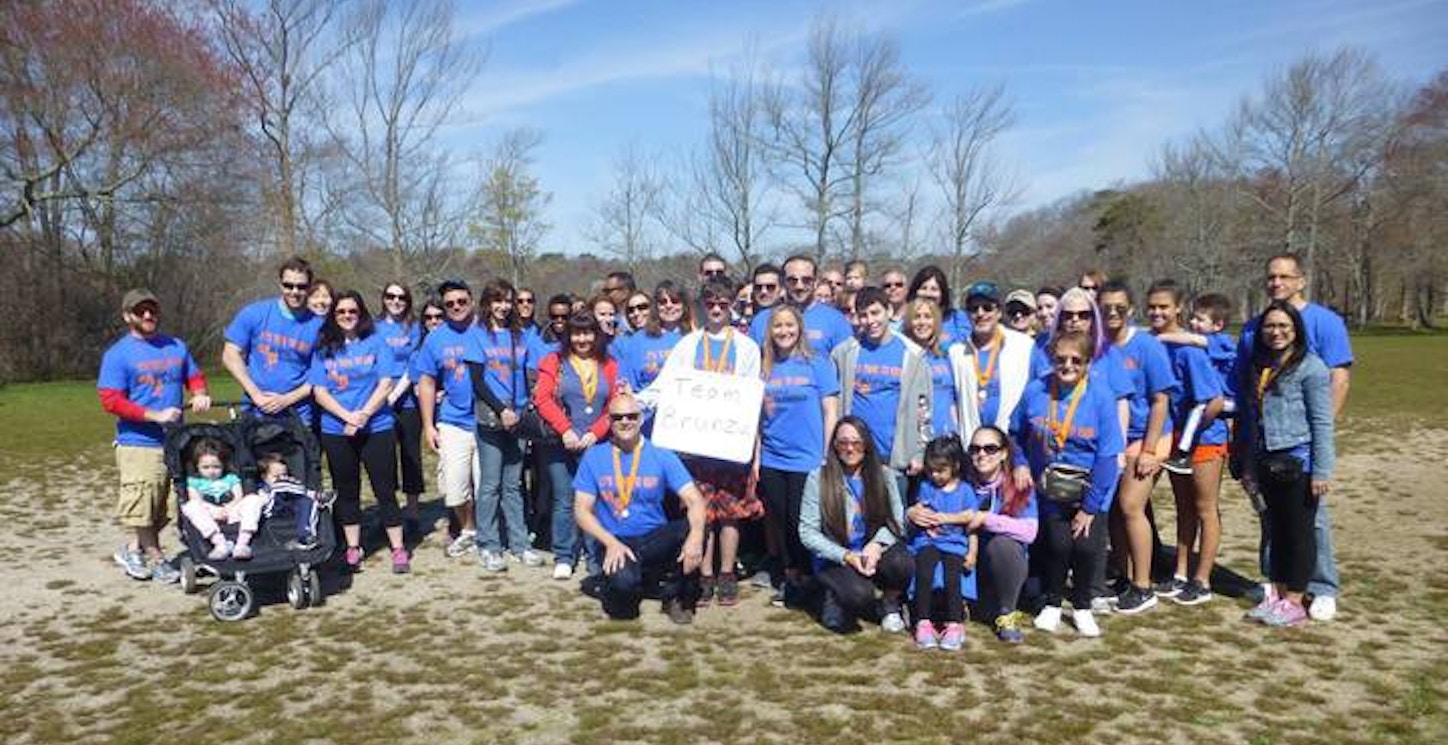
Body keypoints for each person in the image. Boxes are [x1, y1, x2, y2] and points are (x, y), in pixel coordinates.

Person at [638, 279, 763, 606]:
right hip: (694, 446)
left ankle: (727, 574)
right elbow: (665, 386)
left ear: (733, 303)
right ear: (702, 306)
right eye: (711, 303)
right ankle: (704, 575)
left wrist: (755, 448)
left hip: (731, 445)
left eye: (724, 303)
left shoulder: (748, 348)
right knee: (701, 513)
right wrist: (636, 401)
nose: (718, 309)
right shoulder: (689, 344)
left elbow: (751, 398)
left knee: (730, 514)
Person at [1011, 331, 1124, 638]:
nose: (1068, 365)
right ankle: (1053, 601)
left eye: (1076, 360)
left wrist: (1089, 508)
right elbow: (1014, 433)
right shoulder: (1036, 390)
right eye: (1061, 359)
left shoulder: (1100, 396)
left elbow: (1107, 456)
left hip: (1089, 487)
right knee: (1058, 546)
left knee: (1086, 547)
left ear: (1087, 363)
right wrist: (1020, 463)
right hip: (1049, 487)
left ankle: (1083, 606)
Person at [99, 288, 210, 582]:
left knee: (169, 505)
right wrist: (154, 415)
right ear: (127, 316)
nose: (148, 315)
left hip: (175, 440)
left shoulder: (175, 346)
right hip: (139, 442)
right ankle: (158, 558)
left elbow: (194, 375)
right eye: (140, 311)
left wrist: (199, 392)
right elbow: (111, 400)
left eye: (152, 310)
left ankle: (133, 550)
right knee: (142, 504)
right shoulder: (118, 354)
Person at [1238, 301, 1335, 627]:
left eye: (1283, 326)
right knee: (1275, 531)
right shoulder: (1261, 367)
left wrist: (1321, 470)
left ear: (1296, 331)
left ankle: (1295, 599)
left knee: (1299, 533)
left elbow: (1322, 423)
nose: (1276, 333)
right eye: (1269, 326)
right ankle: (1278, 596)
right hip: (1267, 459)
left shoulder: (1312, 368)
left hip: (1299, 461)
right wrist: (1251, 466)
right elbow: (1256, 421)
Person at [573, 392, 706, 624]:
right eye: (618, 417)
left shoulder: (662, 455)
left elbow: (695, 499)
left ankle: (672, 596)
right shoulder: (594, 456)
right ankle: (624, 583)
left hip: (653, 536)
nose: (625, 422)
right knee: (624, 603)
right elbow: (581, 510)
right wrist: (610, 542)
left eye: (631, 416)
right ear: (609, 421)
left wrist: (696, 537)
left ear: (641, 419)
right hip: (615, 539)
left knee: (692, 526)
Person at [310, 291, 409, 573]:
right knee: (346, 489)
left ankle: (398, 548)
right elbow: (319, 391)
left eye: (352, 311)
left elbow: (386, 383)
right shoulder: (324, 347)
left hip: (377, 425)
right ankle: (353, 547)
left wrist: (364, 414)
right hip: (336, 428)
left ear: (361, 313)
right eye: (340, 312)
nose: (346, 317)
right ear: (333, 316)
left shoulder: (376, 342)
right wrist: (347, 417)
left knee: (385, 488)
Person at [1097, 281, 1178, 614]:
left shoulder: (1146, 346)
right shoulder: (1099, 347)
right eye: (1106, 308)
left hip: (1151, 435)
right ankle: (1125, 575)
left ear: (1131, 309)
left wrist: (1148, 450)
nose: (1112, 313)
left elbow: (1161, 400)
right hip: (1116, 437)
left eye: (1119, 307)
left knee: (1131, 505)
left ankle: (1144, 586)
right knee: (1115, 508)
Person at [1146, 280, 1226, 605]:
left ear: (1178, 308)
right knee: (1183, 509)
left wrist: (1192, 438)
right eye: (1152, 306)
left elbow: (1214, 401)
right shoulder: (1152, 344)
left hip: (1204, 439)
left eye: (1164, 306)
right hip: (1174, 437)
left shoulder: (1190, 350)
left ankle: (1202, 579)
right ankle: (1180, 572)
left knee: (1205, 508)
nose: (1157, 312)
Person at [757, 304, 840, 602]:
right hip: (772, 457)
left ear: (800, 328)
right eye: (777, 326)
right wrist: (756, 459)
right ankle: (791, 578)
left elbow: (831, 411)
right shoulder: (764, 367)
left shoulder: (817, 363)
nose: (784, 331)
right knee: (779, 521)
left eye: (789, 325)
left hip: (808, 459)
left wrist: (826, 454)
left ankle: (812, 579)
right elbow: (756, 419)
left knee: (801, 523)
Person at [799, 417, 911, 634]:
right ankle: (833, 596)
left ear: (866, 444)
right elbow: (807, 532)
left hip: (871, 550)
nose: (850, 449)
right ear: (834, 445)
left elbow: (898, 520)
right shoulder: (818, 478)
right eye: (843, 443)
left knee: (902, 563)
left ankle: (889, 603)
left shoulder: (885, 475)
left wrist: (877, 545)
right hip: (836, 555)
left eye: (857, 442)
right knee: (859, 596)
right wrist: (846, 556)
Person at [535, 310, 620, 580]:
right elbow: (542, 398)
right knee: (564, 498)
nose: (582, 339)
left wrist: (596, 432)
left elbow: (615, 405)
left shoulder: (608, 364)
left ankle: (595, 555)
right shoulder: (554, 360)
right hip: (561, 442)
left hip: (596, 443)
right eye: (576, 333)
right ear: (568, 335)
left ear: (596, 335)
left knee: (594, 501)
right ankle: (564, 554)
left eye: (587, 332)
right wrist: (565, 430)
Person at [465, 278, 537, 572]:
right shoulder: (477, 335)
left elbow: (531, 373)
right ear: (487, 303)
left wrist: (525, 406)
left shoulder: (521, 336)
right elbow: (478, 381)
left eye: (508, 300)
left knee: (513, 484)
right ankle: (489, 544)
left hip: (518, 418)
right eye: (498, 300)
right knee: (490, 484)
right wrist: (501, 409)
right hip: (491, 418)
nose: (504, 306)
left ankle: (520, 544)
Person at [832, 287, 931, 497]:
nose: (870, 321)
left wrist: (920, 451)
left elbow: (924, 409)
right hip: (853, 455)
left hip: (893, 458)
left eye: (875, 313)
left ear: (888, 311)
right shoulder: (845, 352)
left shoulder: (912, 355)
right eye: (863, 315)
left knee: (893, 524)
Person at [414, 280, 484, 559]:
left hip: (486, 421)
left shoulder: (486, 331)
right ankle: (469, 530)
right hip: (453, 422)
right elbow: (427, 382)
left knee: (484, 485)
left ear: (472, 301)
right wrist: (429, 424)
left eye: (461, 302)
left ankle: (487, 534)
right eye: (450, 304)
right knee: (455, 487)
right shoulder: (436, 338)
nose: (456, 307)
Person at [222, 257, 323, 421]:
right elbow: (230, 354)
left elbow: (319, 375)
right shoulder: (254, 313)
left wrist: (286, 400)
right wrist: (255, 394)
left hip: (298, 417)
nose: (294, 291)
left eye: (301, 286)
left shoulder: (320, 327)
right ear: (280, 284)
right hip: (254, 411)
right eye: (288, 285)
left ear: (310, 287)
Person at [904, 437, 978, 651]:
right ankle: (923, 621)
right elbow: (921, 509)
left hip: (954, 544)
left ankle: (954, 623)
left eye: (941, 470)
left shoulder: (964, 489)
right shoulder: (926, 487)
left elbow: (970, 515)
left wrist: (945, 518)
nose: (935, 475)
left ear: (955, 466)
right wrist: (923, 518)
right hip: (927, 541)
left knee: (952, 578)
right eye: (932, 470)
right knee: (924, 573)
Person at [950, 281, 1043, 442]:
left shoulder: (1024, 346)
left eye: (987, 307)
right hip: (974, 448)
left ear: (999, 312)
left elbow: (1038, 392)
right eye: (974, 309)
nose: (980, 314)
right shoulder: (956, 352)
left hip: (1013, 444)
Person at [1158, 292, 1237, 474]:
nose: (1193, 323)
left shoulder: (1221, 341)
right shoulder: (1205, 345)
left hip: (1232, 399)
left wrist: (1160, 337)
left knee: (1200, 407)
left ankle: (1184, 452)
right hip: (1221, 399)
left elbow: (1190, 338)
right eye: (1192, 318)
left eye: (1200, 320)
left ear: (1218, 325)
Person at [376, 282, 425, 534]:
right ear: (384, 299)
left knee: (410, 455)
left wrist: (395, 394)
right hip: (378, 402)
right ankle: (389, 510)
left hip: (405, 401)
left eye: (401, 297)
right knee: (384, 459)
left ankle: (413, 511)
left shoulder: (414, 328)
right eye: (391, 296)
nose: (396, 301)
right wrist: (380, 397)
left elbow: (414, 362)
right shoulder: (372, 328)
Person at [616, 282, 693, 427]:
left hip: (684, 422)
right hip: (647, 420)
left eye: (675, 301)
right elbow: (629, 385)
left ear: (684, 305)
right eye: (663, 302)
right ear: (655, 307)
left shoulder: (694, 338)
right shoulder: (639, 339)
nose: (669, 306)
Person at [748, 255, 853, 356]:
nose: (799, 286)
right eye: (792, 280)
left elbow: (846, 365)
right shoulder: (762, 320)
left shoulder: (836, 321)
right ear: (783, 282)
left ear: (816, 282)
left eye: (806, 280)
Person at [182, 439, 266, 561]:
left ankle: (242, 543)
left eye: (216, 467)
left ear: (223, 465)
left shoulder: (231, 478)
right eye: (206, 467)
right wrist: (215, 510)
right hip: (209, 513)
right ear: (197, 467)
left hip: (232, 511)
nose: (211, 471)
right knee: (190, 506)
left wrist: (229, 508)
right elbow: (196, 499)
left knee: (253, 499)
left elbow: (238, 496)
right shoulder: (195, 482)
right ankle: (220, 543)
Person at [901, 299, 959, 441]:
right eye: (917, 317)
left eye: (927, 316)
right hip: (915, 438)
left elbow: (953, 399)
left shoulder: (946, 356)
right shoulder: (902, 355)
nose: (922, 322)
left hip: (947, 436)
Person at [255, 452, 322, 551]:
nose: (282, 478)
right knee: (280, 486)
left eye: (284, 475)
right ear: (264, 477)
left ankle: (306, 536)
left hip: (288, 508)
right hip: (272, 509)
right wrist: (290, 485)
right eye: (277, 476)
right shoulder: (262, 488)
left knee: (306, 501)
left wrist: (294, 486)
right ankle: (315, 495)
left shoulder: (289, 489)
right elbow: (268, 498)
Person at [906, 265, 969, 345]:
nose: (928, 294)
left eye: (934, 289)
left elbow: (967, 344)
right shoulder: (906, 318)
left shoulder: (957, 318)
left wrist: (947, 340)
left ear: (943, 293)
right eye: (923, 288)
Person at [1034, 286, 1064, 353]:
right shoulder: (1039, 342)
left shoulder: (1074, 340)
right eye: (1039, 308)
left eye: (1049, 306)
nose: (1044, 313)